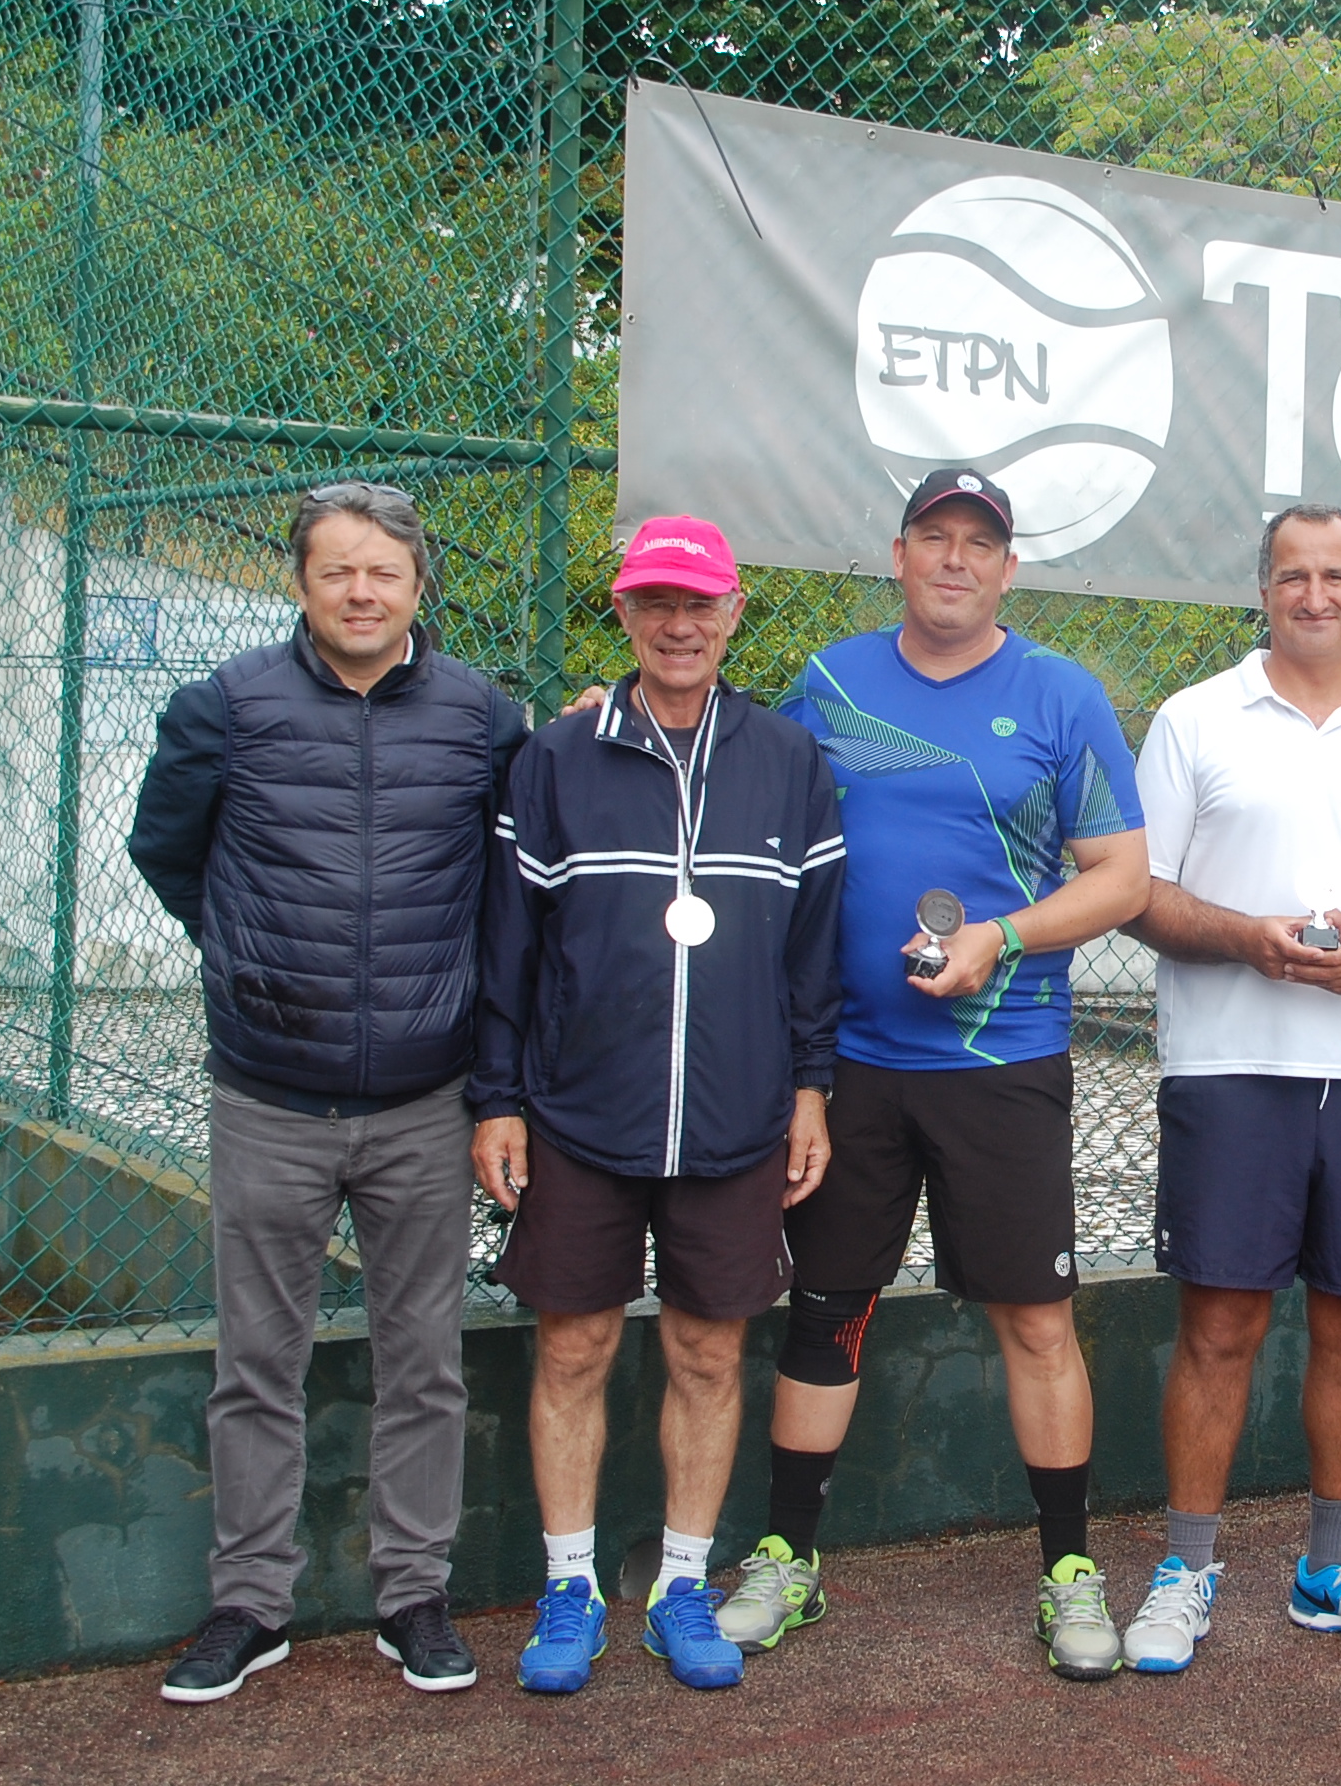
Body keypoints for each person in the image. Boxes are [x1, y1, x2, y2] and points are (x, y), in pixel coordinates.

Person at [128, 482, 526, 1703]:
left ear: (419, 588)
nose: (361, 591)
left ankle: (413, 1592)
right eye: (336, 570)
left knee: (424, 1359)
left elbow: (507, 889)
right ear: (300, 583)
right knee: (258, 1361)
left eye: (383, 573)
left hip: (423, 1098)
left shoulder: (480, 719)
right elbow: (167, 849)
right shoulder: (226, 706)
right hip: (268, 1095)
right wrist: (249, 960)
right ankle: (250, 1602)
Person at [748, 469, 1148, 1680]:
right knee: (825, 1309)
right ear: (899, 553)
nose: (956, 560)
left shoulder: (1060, 695)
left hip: (1001, 1064)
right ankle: (786, 1560)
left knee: (1036, 1317)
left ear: (1008, 568)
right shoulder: (824, 682)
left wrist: (1001, 935)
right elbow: (737, 788)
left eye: (981, 543)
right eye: (936, 538)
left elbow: (1120, 876)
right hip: (847, 1065)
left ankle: (1068, 1570)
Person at [468, 515, 845, 1697]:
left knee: (705, 1348)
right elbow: (507, 952)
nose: (678, 625)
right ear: (621, 615)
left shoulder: (789, 758)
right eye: (653, 604)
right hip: (580, 1112)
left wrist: (809, 1089)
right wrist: (498, 1100)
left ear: (735, 613)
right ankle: (569, 1583)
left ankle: (683, 1579)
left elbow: (810, 955)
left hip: (735, 1119)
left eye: (700, 604)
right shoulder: (556, 757)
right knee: (572, 1345)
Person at [1116, 503, 1341, 1674]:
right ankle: (1185, 1567)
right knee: (1219, 1325)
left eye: (1333, 574)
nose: (1312, 594)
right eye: (1290, 575)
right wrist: (1248, 937)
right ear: (1262, 590)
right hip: (1227, 1068)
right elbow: (1141, 891)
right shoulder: (1191, 719)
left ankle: (1332, 1567)